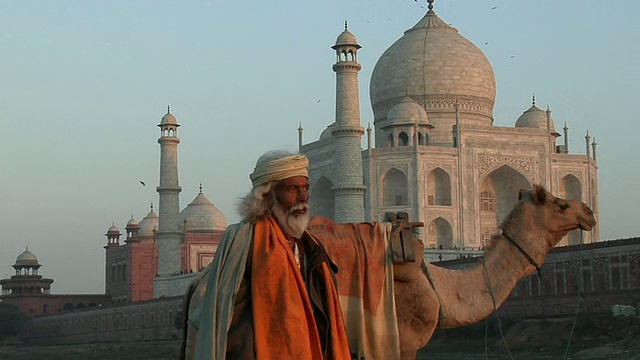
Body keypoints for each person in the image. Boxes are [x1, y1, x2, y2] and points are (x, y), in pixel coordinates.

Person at [181, 150, 356, 360]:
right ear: (266, 195)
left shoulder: (310, 246)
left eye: (306, 188)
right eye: (292, 189)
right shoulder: (244, 240)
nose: (302, 198)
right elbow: (224, 312)